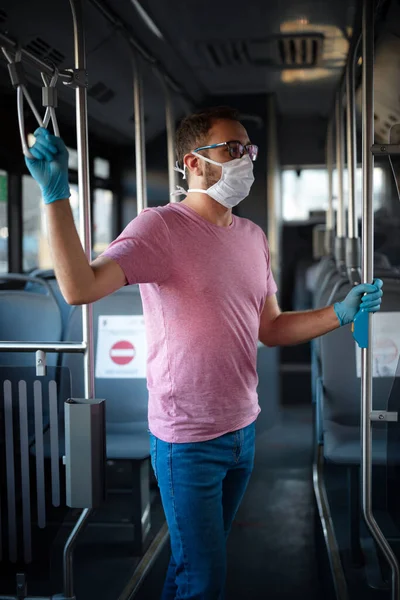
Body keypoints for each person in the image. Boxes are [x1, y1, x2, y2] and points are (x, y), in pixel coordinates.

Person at [26, 106, 383, 600]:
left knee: (191, 566)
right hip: (187, 438)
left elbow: (273, 328)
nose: (246, 160)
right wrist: (56, 197)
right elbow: (79, 287)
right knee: (205, 578)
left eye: (249, 150)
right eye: (232, 149)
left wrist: (338, 314)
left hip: (242, 429)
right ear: (193, 163)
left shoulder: (253, 237)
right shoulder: (160, 229)